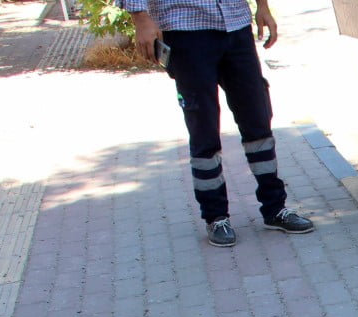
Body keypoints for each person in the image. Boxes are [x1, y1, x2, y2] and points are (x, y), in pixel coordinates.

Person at [123, 0, 313, 247]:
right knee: (204, 129)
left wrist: (263, 6)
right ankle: (216, 217)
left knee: (258, 120)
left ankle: (275, 209)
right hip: (186, 29)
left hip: (236, 23)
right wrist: (141, 19)